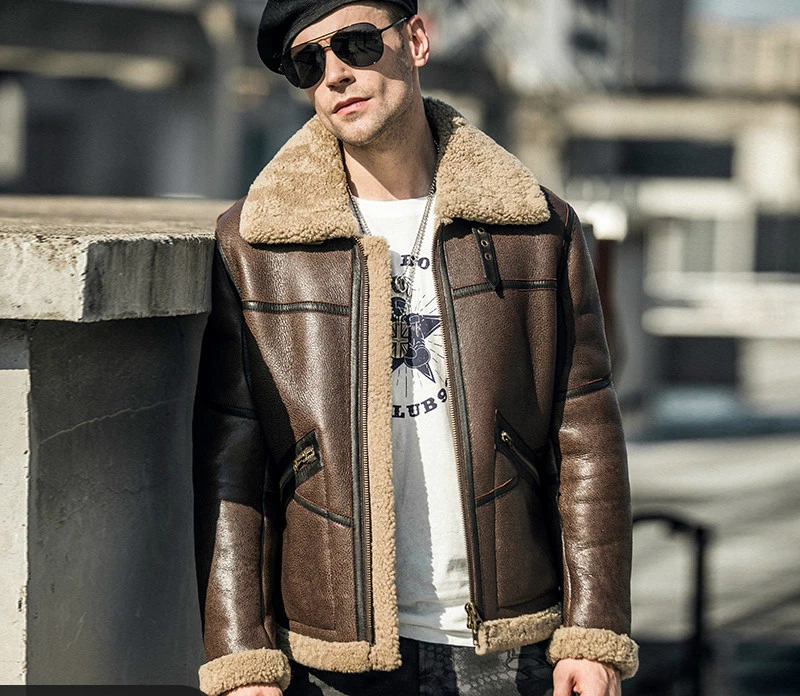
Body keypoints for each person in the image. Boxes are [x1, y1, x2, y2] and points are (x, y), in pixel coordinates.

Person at [192, 1, 639, 695]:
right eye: (308, 62)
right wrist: (242, 657)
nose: (336, 74)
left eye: (357, 43)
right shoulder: (257, 243)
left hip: (508, 643)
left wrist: (594, 631)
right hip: (331, 655)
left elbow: (585, 434)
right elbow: (234, 460)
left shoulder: (535, 226)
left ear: (418, 40)